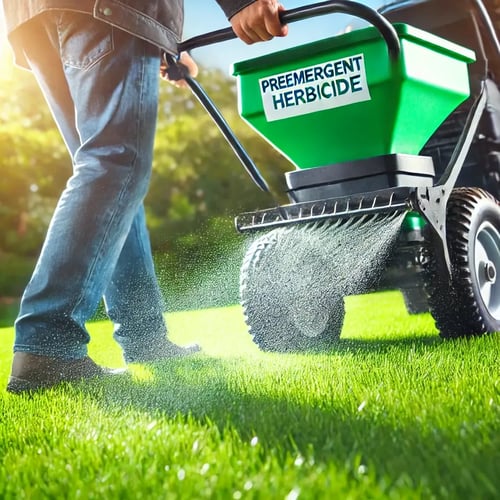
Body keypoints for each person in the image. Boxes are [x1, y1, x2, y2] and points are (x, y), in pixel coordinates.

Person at [2, 0, 288, 394]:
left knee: (111, 174)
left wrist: (163, 39)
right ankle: (47, 343)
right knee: (116, 164)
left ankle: (144, 337)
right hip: (106, 8)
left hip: (34, 16)